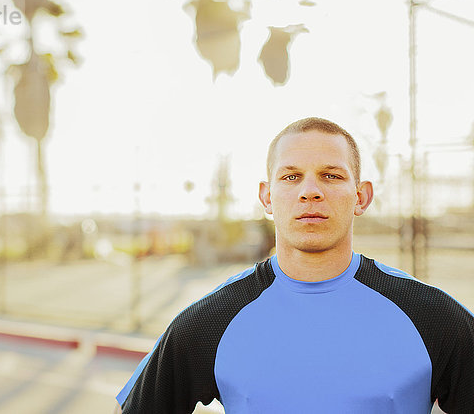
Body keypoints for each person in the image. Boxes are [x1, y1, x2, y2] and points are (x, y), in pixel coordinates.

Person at [114, 117, 474, 414]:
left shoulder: (432, 316)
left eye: (331, 175)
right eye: (290, 177)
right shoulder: (213, 320)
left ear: (361, 197)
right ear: (267, 197)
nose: (310, 191)